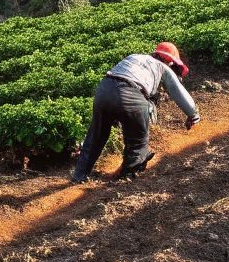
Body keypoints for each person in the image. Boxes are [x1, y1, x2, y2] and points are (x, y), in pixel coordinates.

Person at [70, 42, 200, 183]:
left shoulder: (134, 57)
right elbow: (177, 90)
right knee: (138, 141)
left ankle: (79, 175)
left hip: (104, 90)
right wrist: (193, 114)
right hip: (130, 93)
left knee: (96, 136)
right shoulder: (162, 67)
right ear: (168, 60)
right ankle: (127, 176)